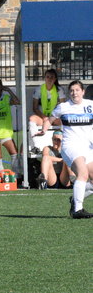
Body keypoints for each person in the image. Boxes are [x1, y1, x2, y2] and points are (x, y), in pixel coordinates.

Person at [37, 80, 93, 218]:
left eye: (77, 90)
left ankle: (75, 199)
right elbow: (49, 120)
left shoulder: (90, 105)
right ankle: (77, 210)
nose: (74, 93)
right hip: (70, 146)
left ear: (83, 92)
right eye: (72, 90)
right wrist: (44, 130)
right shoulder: (63, 107)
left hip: (87, 147)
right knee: (83, 174)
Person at [28, 69, 66, 152]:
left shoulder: (59, 90)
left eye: (52, 77)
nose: (49, 79)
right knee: (32, 119)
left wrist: (52, 118)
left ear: (55, 79)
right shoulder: (39, 89)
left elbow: (63, 107)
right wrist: (45, 117)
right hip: (42, 118)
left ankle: (63, 145)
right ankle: (36, 146)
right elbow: (35, 108)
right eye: (47, 77)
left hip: (55, 118)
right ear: (44, 78)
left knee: (64, 120)